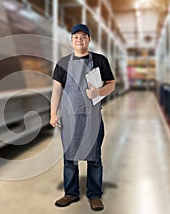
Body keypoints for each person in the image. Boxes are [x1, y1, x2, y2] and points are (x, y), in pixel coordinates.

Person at [50, 24, 115, 211]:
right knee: (69, 158)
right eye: (76, 36)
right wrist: (53, 112)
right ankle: (71, 193)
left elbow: (111, 84)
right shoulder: (62, 63)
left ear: (89, 39)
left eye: (83, 36)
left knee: (94, 158)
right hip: (70, 118)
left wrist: (98, 92)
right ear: (71, 40)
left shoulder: (100, 61)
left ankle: (95, 195)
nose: (79, 39)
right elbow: (56, 89)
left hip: (92, 117)